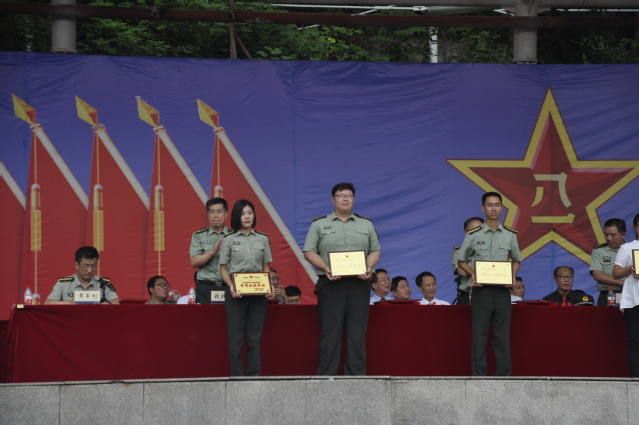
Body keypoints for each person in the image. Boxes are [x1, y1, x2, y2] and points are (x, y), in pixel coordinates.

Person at [303, 182, 380, 376]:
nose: (345, 199)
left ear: (353, 199)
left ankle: (356, 378)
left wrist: (368, 267)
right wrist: (326, 268)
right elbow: (309, 251)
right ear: (333, 199)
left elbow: (375, 250)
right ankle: (326, 377)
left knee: (357, 335)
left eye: (349, 195)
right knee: (330, 333)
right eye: (341, 195)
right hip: (331, 284)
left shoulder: (366, 224)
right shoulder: (319, 224)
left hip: (359, 284)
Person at [457, 192, 522, 376]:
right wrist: (473, 274)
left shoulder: (509, 235)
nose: (493, 209)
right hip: (481, 290)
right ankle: (479, 377)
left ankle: (503, 376)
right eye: (490, 205)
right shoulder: (473, 235)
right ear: (483, 208)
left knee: (502, 335)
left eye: (497, 205)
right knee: (479, 335)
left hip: (502, 291)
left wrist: (512, 274)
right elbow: (461, 260)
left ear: (502, 209)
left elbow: (517, 260)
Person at [220, 199, 273, 376]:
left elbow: (266, 266)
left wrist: (269, 285)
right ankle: (237, 376)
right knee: (235, 338)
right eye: (243, 213)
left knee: (254, 337)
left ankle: (253, 375)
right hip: (236, 294)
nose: (247, 216)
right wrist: (231, 286)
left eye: (250, 213)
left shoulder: (263, 239)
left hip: (258, 294)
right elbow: (223, 269)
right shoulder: (228, 239)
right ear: (237, 216)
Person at [190, 197, 232, 304]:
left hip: (228, 286)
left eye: (219, 211)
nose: (216, 215)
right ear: (208, 215)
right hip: (206, 287)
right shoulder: (199, 235)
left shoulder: (234, 236)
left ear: (226, 214)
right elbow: (194, 262)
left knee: (230, 315)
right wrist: (213, 252)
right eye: (212, 212)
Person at [45, 246, 119, 305]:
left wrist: (103, 304)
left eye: (93, 266)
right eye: (85, 266)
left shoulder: (103, 283)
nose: (90, 270)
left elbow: (117, 301)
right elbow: (48, 303)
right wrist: (69, 303)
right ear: (77, 265)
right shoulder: (64, 284)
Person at [613, 213, 639, 377]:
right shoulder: (627, 247)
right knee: (636, 342)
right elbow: (616, 273)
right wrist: (631, 268)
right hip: (634, 300)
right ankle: (636, 381)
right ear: (634, 227)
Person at [591, 218, 627, 306]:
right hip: (607, 295)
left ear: (623, 234)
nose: (609, 238)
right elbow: (597, 275)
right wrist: (621, 282)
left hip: (629, 294)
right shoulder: (599, 251)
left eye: (613, 235)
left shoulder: (632, 250)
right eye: (606, 235)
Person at [452, 217, 484, 305]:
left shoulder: (494, 250)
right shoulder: (459, 251)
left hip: (490, 295)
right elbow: (461, 271)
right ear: (465, 232)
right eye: (473, 231)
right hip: (468, 295)